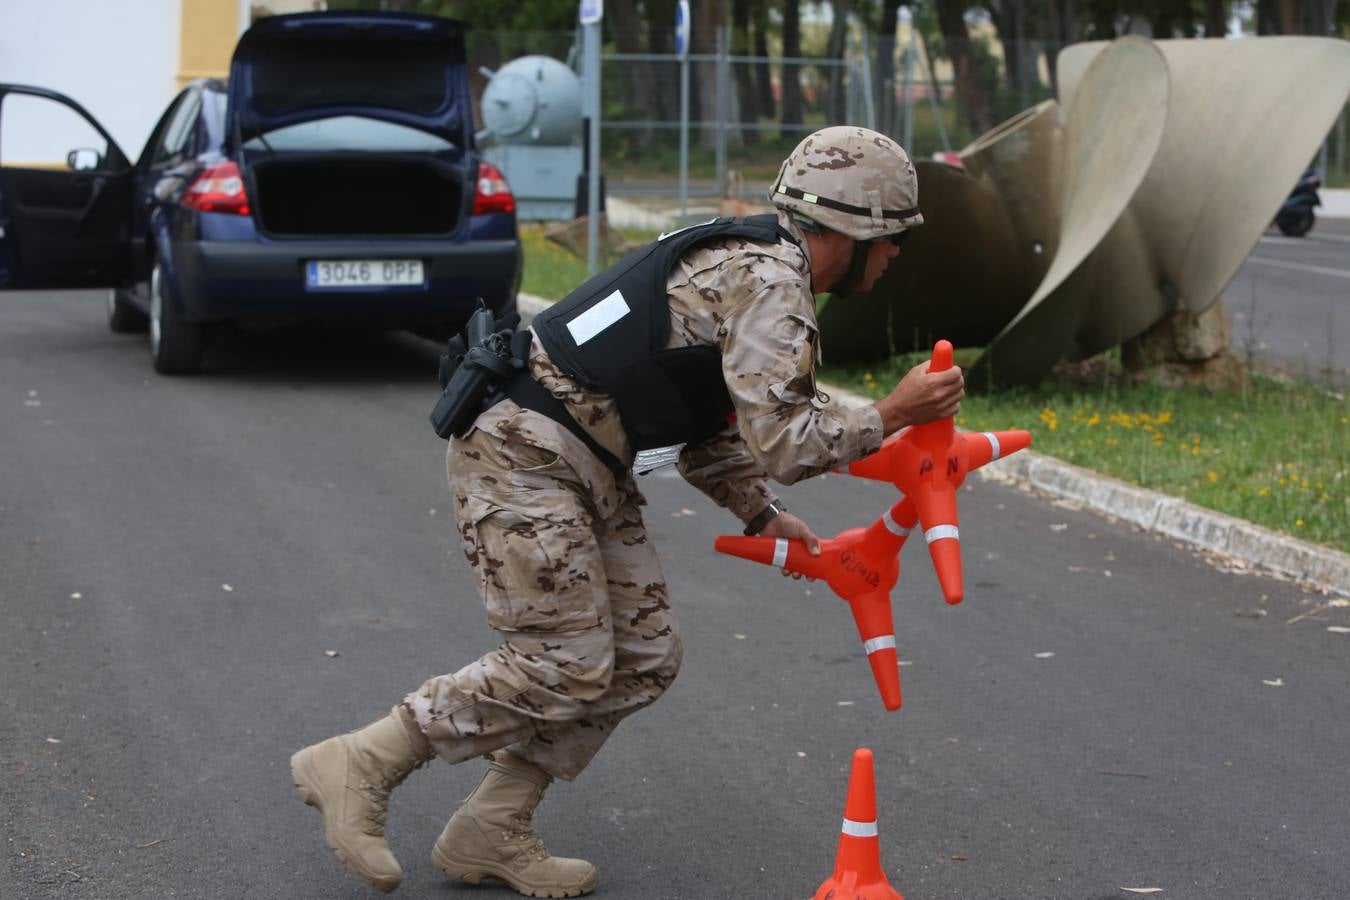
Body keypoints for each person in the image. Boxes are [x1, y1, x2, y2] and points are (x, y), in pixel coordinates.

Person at [289, 125, 966, 897]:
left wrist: (759, 513)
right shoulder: (775, 282)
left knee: (645, 654)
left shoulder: (753, 260)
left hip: (580, 457)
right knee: (564, 662)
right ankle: (363, 761)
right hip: (525, 453)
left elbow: (703, 416)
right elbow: (789, 441)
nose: (897, 255)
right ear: (859, 226)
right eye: (895, 237)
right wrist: (897, 410)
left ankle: (491, 827)